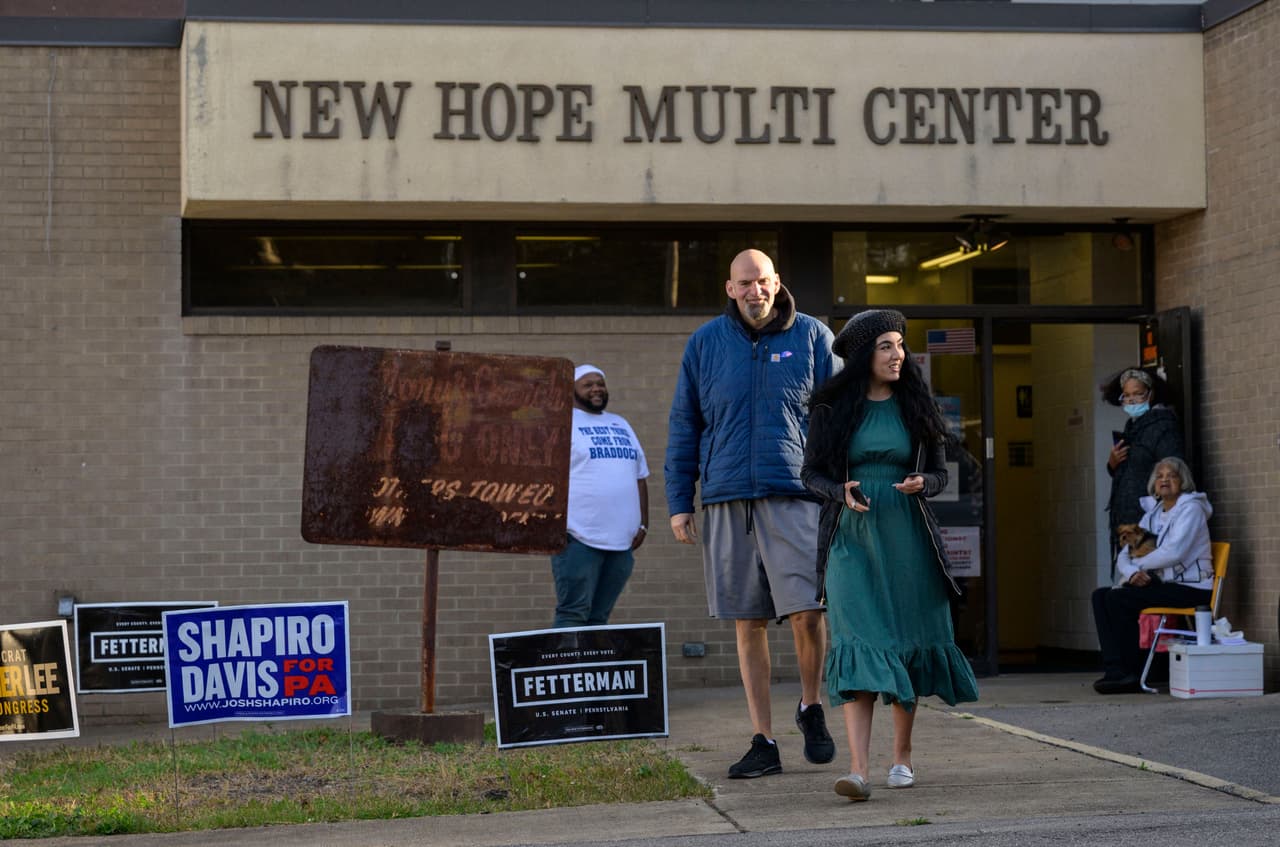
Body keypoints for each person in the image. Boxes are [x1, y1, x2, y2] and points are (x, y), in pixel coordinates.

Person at [665, 248, 838, 779]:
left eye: (762, 281)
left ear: (777, 282)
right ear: (730, 288)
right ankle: (763, 740)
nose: (754, 290)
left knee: (808, 613)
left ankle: (811, 705)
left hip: (796, 495)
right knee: (749, 621)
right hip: (726, 496)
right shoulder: (705, 343)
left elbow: (841, 417)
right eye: (745, 283)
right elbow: (684, 423)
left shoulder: (813, 337)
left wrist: (839, 488)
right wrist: (679, 501)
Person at [800, 309, 978, 802]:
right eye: (886, 346)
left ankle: (901, 756)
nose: (898, 354)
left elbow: (942, 472)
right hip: (851, 538)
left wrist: (926, 483)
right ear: (862, 355)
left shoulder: (917, 406)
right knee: (859, 641)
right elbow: (809, 475)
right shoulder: (831, 408)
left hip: (908, 536)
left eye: (900, 344)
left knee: (906, 640)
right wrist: (839, 490)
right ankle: (858, 771)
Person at [1090, 456, 1213, 694]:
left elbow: (1174, 552)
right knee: (1100, 596)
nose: (1164, 480)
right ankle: (1116, 670)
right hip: (1161, 583)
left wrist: (1140, 567)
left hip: (1190, 587)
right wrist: (1132, 571)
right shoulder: (1153, 513)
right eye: (1160, 476)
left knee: (1118, 599)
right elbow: (1126, 552)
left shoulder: (1191, 509)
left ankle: (1131, 672)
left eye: (1171, 476)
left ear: (1183, 482)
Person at [551, 364, 650, 628]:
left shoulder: (620, 423)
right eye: (588, 384)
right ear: (572, 390)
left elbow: (640, 476)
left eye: (600, 383)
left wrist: (643, 523)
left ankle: (590, 670)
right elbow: (548, 478)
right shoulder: (563, 423)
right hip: (579, 537)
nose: (596, 388)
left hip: (621, 542)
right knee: (573, 613)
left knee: (599, 617)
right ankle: (567, 670)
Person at [1101, 368, 1185, 555]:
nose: (1131, 400)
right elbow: (1130, 470)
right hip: (1130, 522)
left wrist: (1160, 507)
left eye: (1138, 394)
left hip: (1150, 521)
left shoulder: (1162, 426)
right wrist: (1112, 464)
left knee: (1144, 575)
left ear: (1151, 393)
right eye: (1127, 395)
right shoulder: (1133, 426)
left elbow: (1173, 469)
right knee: (1130, 573)